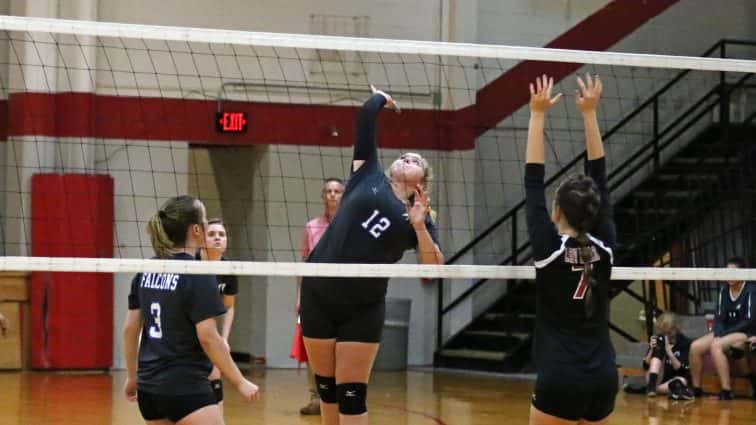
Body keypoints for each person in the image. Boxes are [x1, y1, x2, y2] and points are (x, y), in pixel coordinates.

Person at [300, 85, 444, 425]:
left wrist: (420, 227)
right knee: (327, 390)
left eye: (413, 161)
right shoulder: (367, 173)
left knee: (352, 395)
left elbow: (435, 268)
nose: (404, 158)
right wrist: (382, 99)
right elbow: (365, 119)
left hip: (362, 305)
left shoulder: (420, 212)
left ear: (422, 181)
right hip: (318, 291)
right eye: (404, 156)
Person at [525, 74, 617, 425]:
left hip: (561, 378)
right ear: (593, 214)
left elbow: (533, 179)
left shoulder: (549, 249)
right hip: (604, 378)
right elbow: (601, 177)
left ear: (556, 212)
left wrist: (537, 115)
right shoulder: (605, 245)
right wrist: (590, 113)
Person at [122, 195, 259, 424]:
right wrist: (240, 381)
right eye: (205, 219)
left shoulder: (144, 271)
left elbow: (129, 330)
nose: (208, 224)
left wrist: (132, 376)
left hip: (149, 389)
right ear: (196, 229)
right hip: (185, 386)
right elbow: (208, 338)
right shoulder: (197, 273)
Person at [296, 178, 345, 415]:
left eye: (337, 191)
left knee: (342, 348)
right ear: (322, 195)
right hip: (315, 295)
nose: (333, 195)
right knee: (314, 349)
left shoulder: (350, 226)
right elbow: (303, 264)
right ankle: (316, 397)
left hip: (344, 296)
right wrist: (299, 296)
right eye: (328, 191)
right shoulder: (311, 227)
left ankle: (342, 394)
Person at [688, 257, 756, 400]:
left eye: (733, 272)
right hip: (726, 330)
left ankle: (726, 390)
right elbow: (718, 317)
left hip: (746, 331)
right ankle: (697, 389)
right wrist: (719, 332)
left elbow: (750, 320)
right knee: (695, 347)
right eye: (727, 272)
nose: (729, 275)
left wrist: (723, 335)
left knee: (716, 345)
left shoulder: (751, 290)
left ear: (743, 273)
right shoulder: (724, 290)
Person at [199, 218, 239, 413]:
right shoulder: (191, 264)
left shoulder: (228, 270)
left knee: (215, 373)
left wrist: (224, 339)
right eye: (212, 234)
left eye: (221, 235)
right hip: (188, 330)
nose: (217, 238)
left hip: (209, 331)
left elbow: (229, 306)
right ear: (203, 239)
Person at [643, 312, 694, 400]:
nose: (666, 336)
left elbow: (682, 370)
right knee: (656, 357)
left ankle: (653, 389)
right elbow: (646, 366)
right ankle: (652, 388)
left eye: (669, 332)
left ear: (676, 328)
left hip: (674, 379)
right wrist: (651, 350)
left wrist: (669, 352)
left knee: (681, 381)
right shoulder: (659, 339)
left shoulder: (685, 343)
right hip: (657, 379)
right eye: (663, 332)